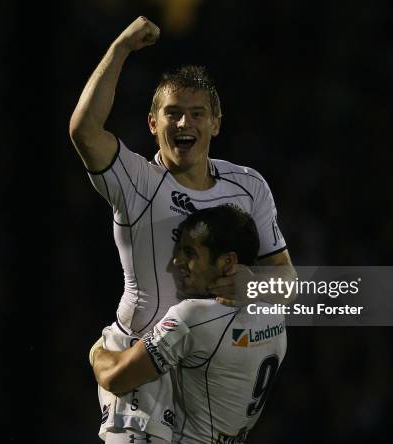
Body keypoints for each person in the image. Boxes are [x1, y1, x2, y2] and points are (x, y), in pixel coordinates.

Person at [69, 16, 296, 443]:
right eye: (172, 113)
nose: (183, 123)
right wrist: (119, 50)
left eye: (196, 113)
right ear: (154, 124)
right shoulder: (137, 180)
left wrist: (254, 285)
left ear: (216, 123)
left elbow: (287, 283)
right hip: (141, 364)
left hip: (206, 363)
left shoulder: (249, 186)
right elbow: (84, 131)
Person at [91, 205, 287, 444]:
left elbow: (115, 377)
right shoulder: (277, 314)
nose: (176, 261)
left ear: (228, 261)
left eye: (190, 252)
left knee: (122, 341)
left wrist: (98, 349)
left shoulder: (194, 317)